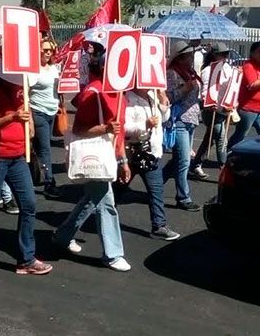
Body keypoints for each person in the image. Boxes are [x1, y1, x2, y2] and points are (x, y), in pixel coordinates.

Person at [0, 57, 53, 279]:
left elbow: (26, 109)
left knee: (29, 204)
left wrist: (31, 125)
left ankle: (26, 258)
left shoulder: (19, 87)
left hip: (17, 155)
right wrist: (12, 117)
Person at [52, 43, 132, 272]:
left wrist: (123, 160)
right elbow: (79, 129)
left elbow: (121, 131)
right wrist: (106, 128)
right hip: (96, 155)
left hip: (108, 155)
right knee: (106, 202)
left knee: (91, 200)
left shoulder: (119, 93)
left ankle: (62, 236)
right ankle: (113, 254)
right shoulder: (93, 91)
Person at [117, 88, 180, 240]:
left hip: (151, 153)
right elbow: (122, 128)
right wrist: (144, 124)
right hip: (133, 153)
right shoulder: (127, 99)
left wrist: (163, 99)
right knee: (118, 188)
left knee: (156, 190)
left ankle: (159, 226)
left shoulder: (153, 96)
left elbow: (164, 119)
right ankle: (101, 212)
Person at [163, 40, 202, 212]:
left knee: (178, 160)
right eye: (188, 55)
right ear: (180, 58)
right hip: (179, 119)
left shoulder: (190, 72)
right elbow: (168, 98)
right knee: (184, 160)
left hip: (191, 119)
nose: (192, 57)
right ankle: (183, 197)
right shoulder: (172, 73)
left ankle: (155, 184)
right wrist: (185, 89)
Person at [190, 42, 232, 179]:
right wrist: (208, 102)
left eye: (226, 54)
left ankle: (196, 164)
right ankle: (223, 168)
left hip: (223, 108)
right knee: (219, 138)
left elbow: (232, 86)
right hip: (211, 110)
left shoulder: (227, 68)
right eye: (222, 54)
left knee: (211, 138)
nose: (225, 57)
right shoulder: (208, 70)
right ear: (214, 55)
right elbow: (205, 89)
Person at [30, 38, 61, 199]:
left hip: (52, 111)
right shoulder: (32, 70)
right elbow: (25, 92)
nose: (48, 52)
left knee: (40, 146)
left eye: (50, 50)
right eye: (45, 49)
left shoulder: (54, 68)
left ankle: (33, 172)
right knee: (45, 148)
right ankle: (50, 183)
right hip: (38, 111)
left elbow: (59, 89)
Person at [227, 41, 260, 149]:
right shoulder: (249, 66)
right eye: (259, 52)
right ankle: (230, 152)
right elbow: (252, 86)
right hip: (248, 109)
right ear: (252, 53)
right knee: (241, 135)